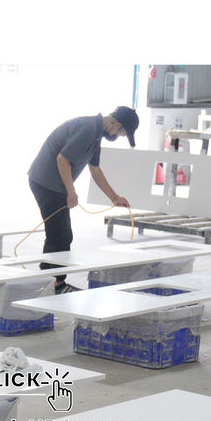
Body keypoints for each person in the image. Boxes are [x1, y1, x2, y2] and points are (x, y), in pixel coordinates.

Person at [28, 106, 137, 293]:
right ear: (117, 125)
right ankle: (51, 285)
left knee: (61, 234)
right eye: (121, 134)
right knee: (60, 235)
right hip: (47, 182)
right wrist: (71, 192)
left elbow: (95, 169)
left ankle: (53, 283)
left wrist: (114, 197)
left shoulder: (95, 134)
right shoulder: (87, 129)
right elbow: (62, 160)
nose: (117, 136)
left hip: (54, 183)